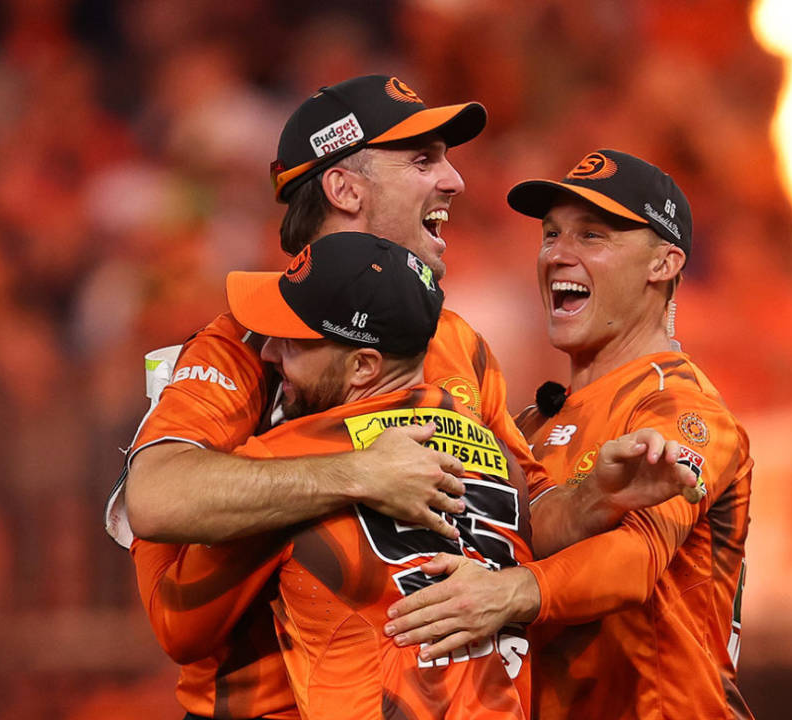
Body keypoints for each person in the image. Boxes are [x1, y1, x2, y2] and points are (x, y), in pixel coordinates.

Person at [116, 79, 695, 719]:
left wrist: (592, 500)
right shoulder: (248, 341)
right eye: (422, 161)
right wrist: (357, 474)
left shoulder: (457, 341)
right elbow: (156, 502)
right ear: (345, 189)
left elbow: (512, 523)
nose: (454, 181)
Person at [382, 150, 754, 719]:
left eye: (593, 236)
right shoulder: (532, 422)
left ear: (664, 263)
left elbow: (635, 558)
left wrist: (505, 594)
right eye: (550, 234)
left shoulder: (679, 405)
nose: (558, 254)